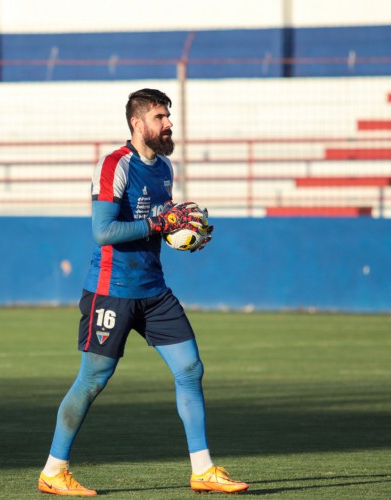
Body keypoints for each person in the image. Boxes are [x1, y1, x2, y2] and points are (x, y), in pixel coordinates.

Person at [38, 89, 248, 496]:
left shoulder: (165, 167)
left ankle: (202, 470)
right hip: (111, 291)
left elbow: (162, 223)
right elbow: (104, 232)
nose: (168, 123)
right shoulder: (114, 164)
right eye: (159, 117)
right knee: (93, 379)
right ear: (137, 124)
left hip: (153, 290)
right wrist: (160, 224)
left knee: (190, 369)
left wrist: (182, 233)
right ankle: (53, 471)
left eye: (168, 116)